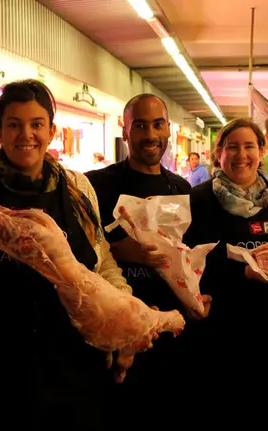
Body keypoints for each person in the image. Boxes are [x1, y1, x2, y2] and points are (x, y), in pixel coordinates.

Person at [0, 79, 129, 431]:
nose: (26, 134)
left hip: (73, 351)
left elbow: (101, 259)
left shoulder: (77, 186)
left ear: (52, 131)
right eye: (14, 124)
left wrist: (123, 319)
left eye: (36, 124)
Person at [184, 118, 268, 430]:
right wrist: (243, 272)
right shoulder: (199, 199)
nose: (241, 155)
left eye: (249, 146)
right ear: (218, 153)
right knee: (230, 408)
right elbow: (188, 259)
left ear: (262, 151)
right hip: (227, 325)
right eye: (232, 147)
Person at [85, 93, 193, 430]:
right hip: (114, 333)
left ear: (169, 128)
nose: (150, 134)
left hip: (169, 330)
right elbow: (78, 250)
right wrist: (121, 250)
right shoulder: (94, 185)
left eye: (157, 124)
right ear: (125, 130)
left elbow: (188, 256)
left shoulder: (181, 187)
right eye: (140, 125)